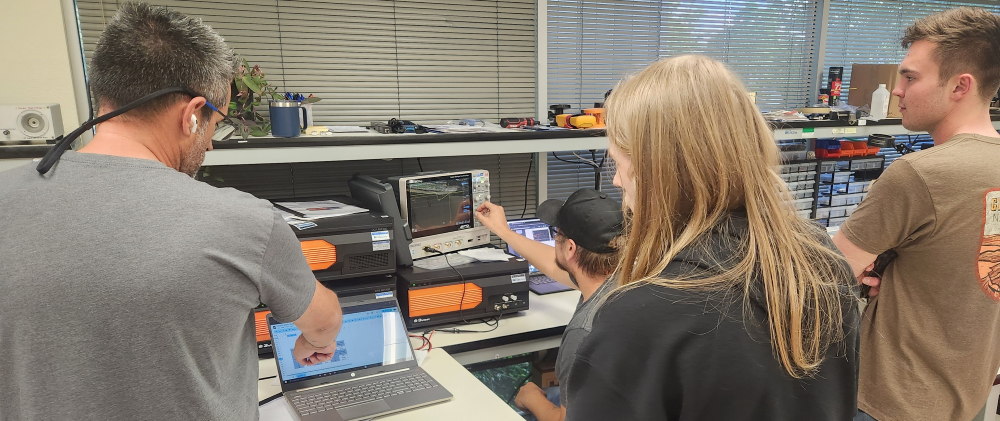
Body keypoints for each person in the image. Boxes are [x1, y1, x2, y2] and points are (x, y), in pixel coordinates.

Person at [0, 3, 342, 420]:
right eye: (217, 123)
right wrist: (314, 343)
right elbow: (323, 324)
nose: (211, 144)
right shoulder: (245, 221)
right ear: (191, 115)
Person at [564, 55, 860, 421]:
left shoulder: (645, 313)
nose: (616, 181)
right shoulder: (819, 259)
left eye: (619, 163)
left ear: (652, 166)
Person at [831, 7, 1000, 421]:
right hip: (968, 395)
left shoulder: (920, 175)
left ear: (961, 86)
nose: (898, 91)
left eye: (910, 77)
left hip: (892, 401)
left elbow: (829, 274)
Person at [474, 188, 623, 421]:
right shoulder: (625, 282)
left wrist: (531, 397)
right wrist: (503, 231)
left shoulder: (582, 334)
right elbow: (554, 266)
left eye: (557, 234)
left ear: (571, 249)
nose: (554, 239)